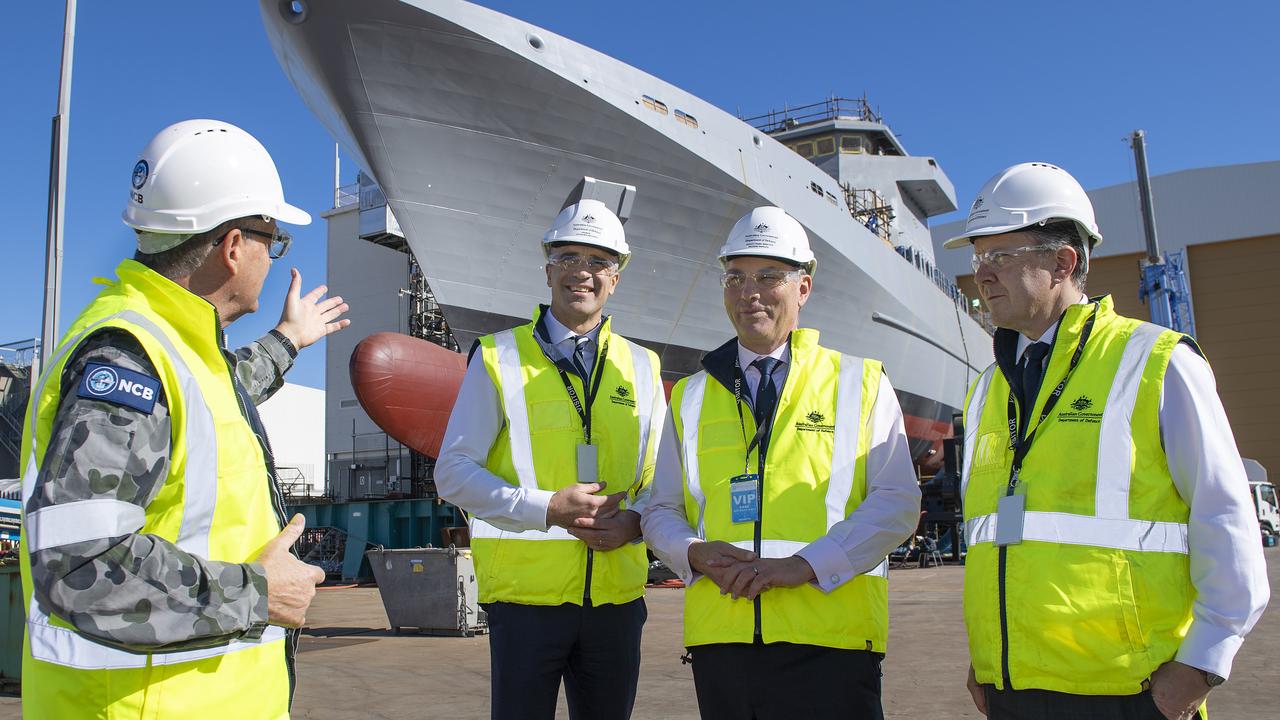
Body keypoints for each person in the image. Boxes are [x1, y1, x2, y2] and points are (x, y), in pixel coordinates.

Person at [18, 119, 350, 718]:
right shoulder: (128, 359)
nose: (271, 260)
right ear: (232, 247)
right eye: (270, 243)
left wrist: (287, 341)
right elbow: (80, 562)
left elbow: (217, 394)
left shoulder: (172, 347)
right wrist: (256, 593)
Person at [944, 162, 1269, 720]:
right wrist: (989, 657)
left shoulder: (1156, 362)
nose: (982, 275)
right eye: (978, 258)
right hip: (1012, 688)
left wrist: (1202, 663)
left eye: (999, 256)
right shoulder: (987, 389)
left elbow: (1226, 517)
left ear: (1063, 262)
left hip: (1130, 693)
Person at [642, 206, 920, 719]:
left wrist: (806, 566)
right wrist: (694, 554)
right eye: (736, 277)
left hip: (830, 640)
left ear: (804, 288)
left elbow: (898, 504)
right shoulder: (691, 395)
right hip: (722, 640)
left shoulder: (859, 382)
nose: (750, 292)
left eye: (769, 276)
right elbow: (660, 509)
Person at [434, 199, 663, 720]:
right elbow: (452, 472)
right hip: (525, 602)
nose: (581, 272)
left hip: (615, 602)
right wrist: (545, 507)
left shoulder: (644, 367)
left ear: (616, 277)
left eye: (598, 261)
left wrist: (635, 522)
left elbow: (659, 482)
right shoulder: (497, 356)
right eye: (567, 257)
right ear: (547, 270)